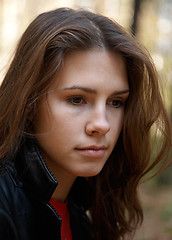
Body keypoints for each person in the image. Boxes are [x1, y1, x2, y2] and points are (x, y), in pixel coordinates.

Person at [0, 7, 171, 240]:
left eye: (115, 102)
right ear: (29, 104)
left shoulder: (81, 204)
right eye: (77, 99)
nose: (102, 125)